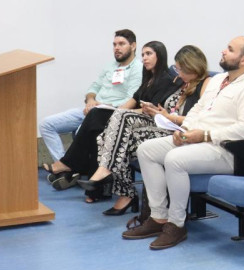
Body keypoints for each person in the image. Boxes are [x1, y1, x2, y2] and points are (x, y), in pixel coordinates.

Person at [134, 37, 244, 250]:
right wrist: (184, 129)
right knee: (146, 150)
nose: (223, 51)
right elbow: (198, 108)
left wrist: (204, 135)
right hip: (197, 140)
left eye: (230, 49)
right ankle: (158, 216)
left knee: (174, 159)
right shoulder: (219, 80)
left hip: (227, 151)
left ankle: (176, 224)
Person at [79, 45, 211, 221]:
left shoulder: (206, 84)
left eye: (180, 69)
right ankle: (114, 179)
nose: (178, 74)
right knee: (114, 127)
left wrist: (168, 117)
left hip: (177, 130)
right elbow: (171, 109)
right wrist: (157, 112)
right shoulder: (183, 83)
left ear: (192, 66)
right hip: (164, 123)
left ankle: (119, 186)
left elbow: (199, 118)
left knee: (115, 138)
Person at [47, 41, 177, 198]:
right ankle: (94, 188)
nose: (144, 58)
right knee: (97, 124)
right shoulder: (148, 76)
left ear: (160, 55)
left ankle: (72, 166)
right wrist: (116, 112)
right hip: (130, 115)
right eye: (143, 55)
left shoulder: (166, 79)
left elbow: (149, 109)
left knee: (97, 120)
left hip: (148, 121)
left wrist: (118, 114)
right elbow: (133, 100)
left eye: (149, 54)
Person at [38, 29, 141, 171]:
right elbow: (94, 86)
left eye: (121, 44)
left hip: (109, 114)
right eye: (114, 44)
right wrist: (91, 99)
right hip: (91, 108)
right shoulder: (111, 66)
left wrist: (102, 106)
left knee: (82, 130)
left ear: (133, 46)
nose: (116, 48)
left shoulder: (138, 69)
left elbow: (131, 99)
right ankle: (68, 169)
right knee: (46, 124)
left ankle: (67, 167)